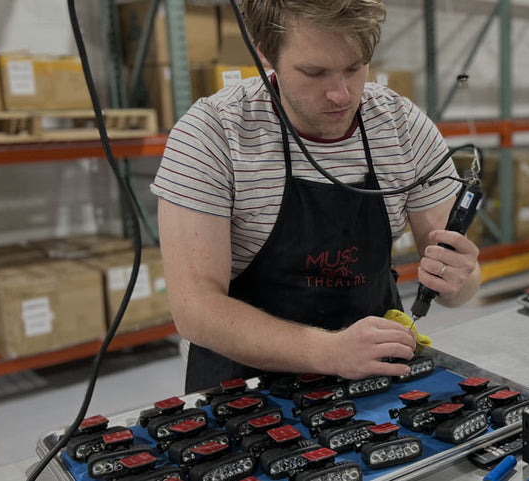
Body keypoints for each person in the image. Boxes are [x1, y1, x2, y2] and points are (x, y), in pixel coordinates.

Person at [150, 0, 480, 392]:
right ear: (264, 51)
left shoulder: (402, 127)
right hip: (244, 389)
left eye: (355, 67)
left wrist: (458, 280)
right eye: (314, 72)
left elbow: (462, 281)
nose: (341, 94)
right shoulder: (214, 135)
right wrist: (329, 352)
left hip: (373, 377)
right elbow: (196, 309)